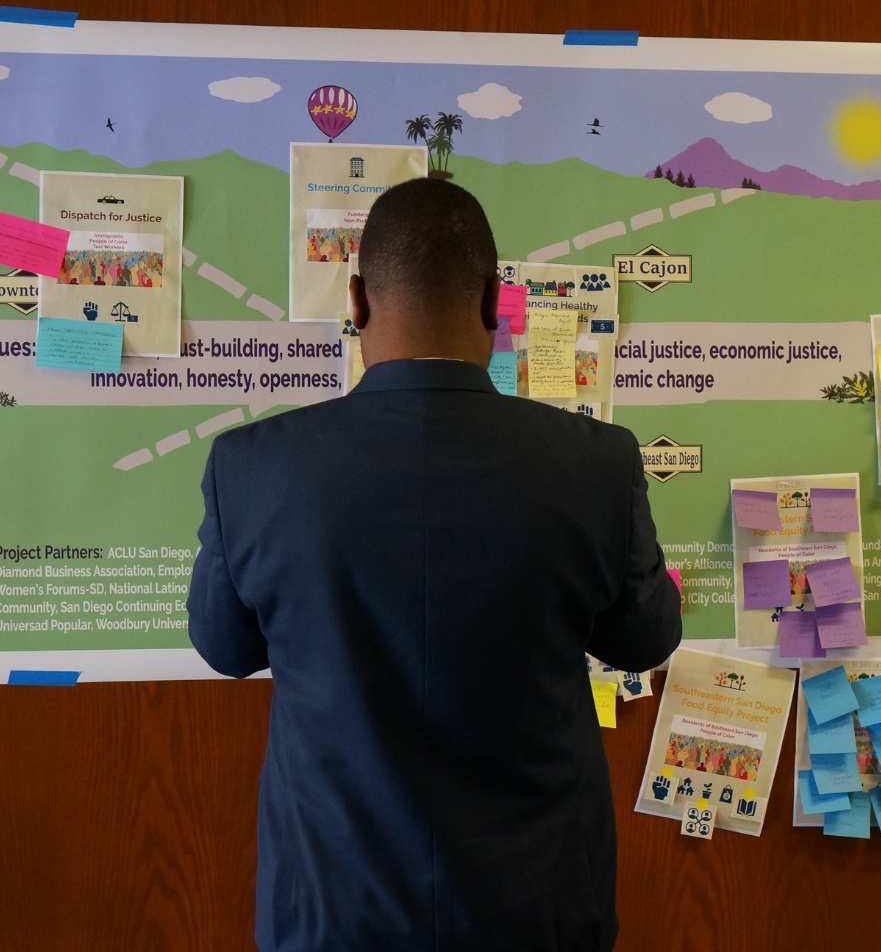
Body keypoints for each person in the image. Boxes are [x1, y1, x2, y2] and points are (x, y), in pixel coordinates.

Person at [188, 178, 681, 952]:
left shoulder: (251, 466)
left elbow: (225, 647)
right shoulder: (597, 464)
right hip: (537, 911)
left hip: (331, 912)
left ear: (356, 300)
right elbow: (646, 640)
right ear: (494, 300)